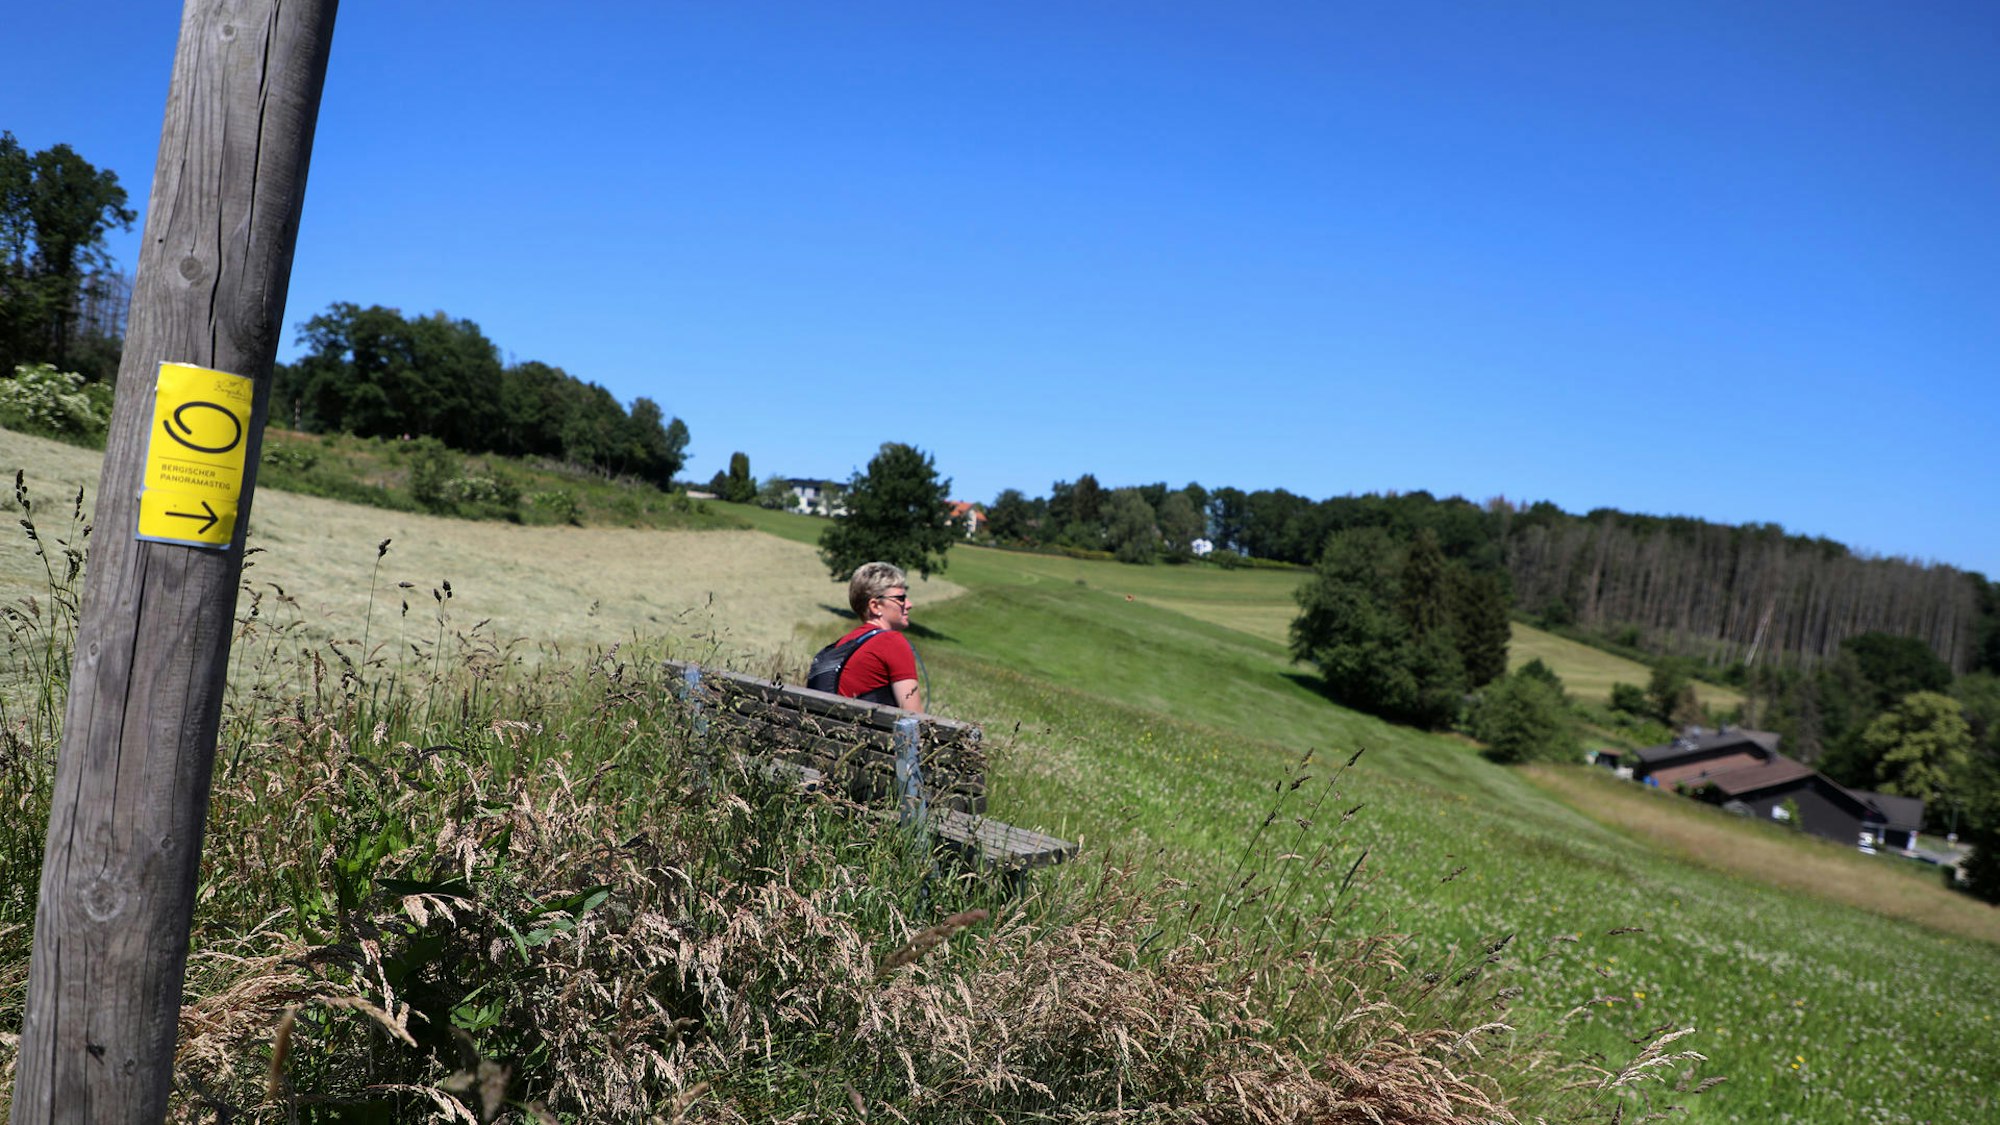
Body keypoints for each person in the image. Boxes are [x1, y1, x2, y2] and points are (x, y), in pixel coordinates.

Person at [831, 561, 923, 711]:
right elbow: (915, 720)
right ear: (875, 606)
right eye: (900, 598)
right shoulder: (891, 642)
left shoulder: (841, 644)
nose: (909, 604)